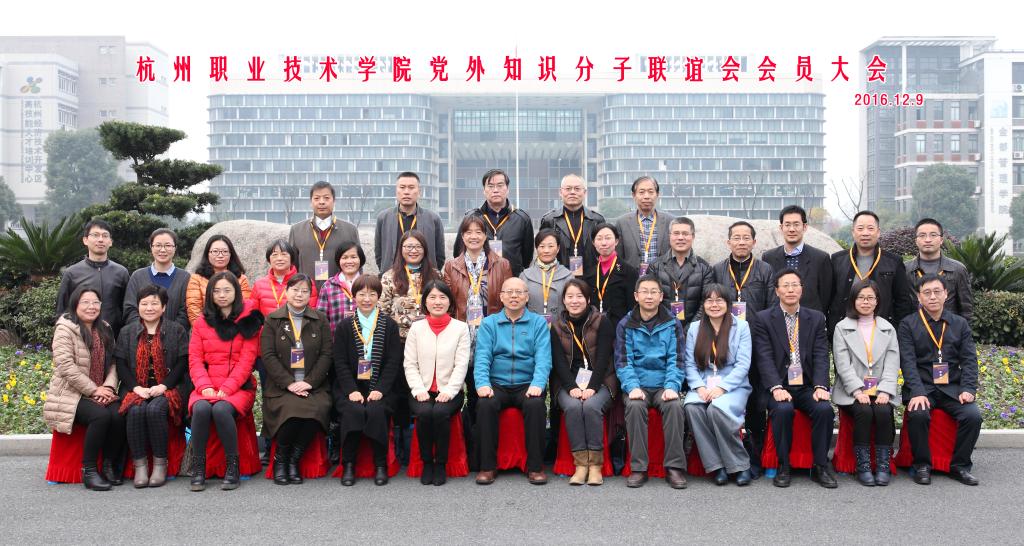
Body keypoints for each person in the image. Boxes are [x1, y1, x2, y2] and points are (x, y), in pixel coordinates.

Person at [752, 269, 837, 489]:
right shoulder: (764, 318)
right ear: (777, 291)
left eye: (795, 285)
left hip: (807, 385)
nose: (790, 290)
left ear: (801, 289)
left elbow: (821, 354)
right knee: (782, 410)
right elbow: (764, 356)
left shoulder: (815, 318)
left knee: (824, 409)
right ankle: (784, 465)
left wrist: (821, 385)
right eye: (785, 285)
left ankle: (820, 465)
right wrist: (775, 387)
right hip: (779, 385)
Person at [898, 273, 982, 486]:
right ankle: (922, 465)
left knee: (973, 416)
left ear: (946, 294)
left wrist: (968, 388)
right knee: (918, 414)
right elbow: (907, 363)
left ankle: (960, 466)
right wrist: (917, 392)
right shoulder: (908, 324)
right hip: (923, 386)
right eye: (927, 292)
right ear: (919, 297)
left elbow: (969, 360)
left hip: (952, 388)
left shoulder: (960, 324)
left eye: (937, 291)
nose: (932, 297)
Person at [187, 272, 264, 492]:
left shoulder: (248, 321)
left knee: (221, 410)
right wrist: (205, 386)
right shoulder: (202, 322)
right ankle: (199, 467)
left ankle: (232, 466)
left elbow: (247, 360)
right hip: (206, 385)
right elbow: (195, 359)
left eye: (227, 290)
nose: (222, 295)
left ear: (236, 292)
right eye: (217, 291)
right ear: (210, 294)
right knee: (200, 408)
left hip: (238, 386)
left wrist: (228, 388)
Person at [473, 277, 553, 486]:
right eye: (509, 292)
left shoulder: (538, 323)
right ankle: (487, 466)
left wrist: (538, 384)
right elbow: (482, 357)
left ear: (527, 297)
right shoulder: (489, 323)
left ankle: (535, 467)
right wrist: (482, 384)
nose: (514, 296)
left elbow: (543, 358)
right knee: (485, 405)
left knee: (535, 405)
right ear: (501, 297)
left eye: (519, 292)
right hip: (497, 384)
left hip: (527, 384)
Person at [44, 286, 123, 491]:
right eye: (85, 302)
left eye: (95, 302)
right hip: (71, 392)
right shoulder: (65, 328)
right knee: (100, 416)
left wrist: (108, 386)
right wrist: (94, 390)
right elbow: (66, 366)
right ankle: (89, 470)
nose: (91, 307)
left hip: (101, 388)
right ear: (75, 304)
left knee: (119, 413)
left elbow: (114, 362)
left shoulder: (105, 327)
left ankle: (108, 465)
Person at [614, 275, 688, 489]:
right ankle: (639, 468)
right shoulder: (625, 324)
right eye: (644, 292)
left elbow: (677, 359)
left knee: (674, 406)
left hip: (664, 385)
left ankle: (674, 467)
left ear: (661, 296)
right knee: (635, 406)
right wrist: (632, 387)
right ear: (636, 296)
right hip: (638, 385)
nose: (649, 296)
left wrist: (672, 386)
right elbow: (623, 361)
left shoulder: (672, 323)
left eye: (653, 292)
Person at [260, 274, 333, 485]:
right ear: (286, 292)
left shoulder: (320, 319)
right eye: (295, 290)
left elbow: (326, 354)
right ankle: (281, 460)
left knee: (316, 410)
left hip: (313, 386)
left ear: (310, 295)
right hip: (282, 387)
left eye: (304, 291)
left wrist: (309, 382)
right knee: (291, 412)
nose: (299, 294)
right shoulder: (273, 319)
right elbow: (268, 355)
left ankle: (293, 459)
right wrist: (289, 383)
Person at [114, 285, 189, 488]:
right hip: (136, 388)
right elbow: (121, 364)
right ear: (138, 306)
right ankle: (140, 466)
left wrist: (164, 386)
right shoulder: (127, 332)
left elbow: (182, 363)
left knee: (155, 409)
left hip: (169, 387)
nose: (149, 308)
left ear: (163, 307)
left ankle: (160, 464)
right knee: (136, 410)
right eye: (144, 303)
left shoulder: (176, 330)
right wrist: (135, 388)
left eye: (154, 303)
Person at [333, 275, 403, 486]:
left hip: (381, 387)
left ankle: (380, 464)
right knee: (353, 410)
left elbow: (393, 362)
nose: (366, 299)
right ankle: (349, 464)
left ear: (378, 297)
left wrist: (380, 389)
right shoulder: (345, 326)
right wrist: (351, 390)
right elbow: (340, 362)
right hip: (351, 387)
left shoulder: (389, 325)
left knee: (376, 410)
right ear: (354, 296)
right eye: (362, 294)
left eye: (372, 294)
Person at [682, 284, 754, 486]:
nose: (714, 305)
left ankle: (740, 465)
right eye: (709, 301)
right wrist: (699, 387)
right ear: (703, 304)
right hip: (703, 383)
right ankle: (717, 465)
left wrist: (722, 388)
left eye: (719, 300)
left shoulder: (741, 327)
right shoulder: (695, 328)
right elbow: (689, 363)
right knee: (692, 407)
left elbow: (743, 364)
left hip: (733, 385)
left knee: (717, 409)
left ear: (728, 303)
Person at [832, 279, 900, 486]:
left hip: (880, 389)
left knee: (883, 411)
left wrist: (885, 391)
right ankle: (863, 466)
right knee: (864, 411)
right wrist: (857, 390)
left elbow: (892, 363)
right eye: (861, 297)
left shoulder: (888, 328)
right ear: (853, 300)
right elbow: (842, 364)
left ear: (877, 301)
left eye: (870, 297)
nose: (865, 302)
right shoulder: (842, 328)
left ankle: (882, 465)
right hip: (851, 391)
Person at [403, 281, 471, 486]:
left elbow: (461, 364)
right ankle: (427, 463)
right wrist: (418, 389)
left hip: (450, 391)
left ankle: (440, 463)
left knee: (440, 413)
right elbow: (410, 363)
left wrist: (450, 390)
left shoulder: (460, 328)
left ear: (450, 302)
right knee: (424, 413)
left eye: (442, 297)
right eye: (432, 297)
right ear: (425, 302)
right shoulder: (416, 328)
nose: (437, 302)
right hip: (421, 390)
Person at [550, 279, 615, 486]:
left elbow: (603, 359)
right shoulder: (557, 326)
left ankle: (595, 466)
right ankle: (580, 465)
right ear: (563, 300)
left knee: (591, 406)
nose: (574, 301)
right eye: (570, 296)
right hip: (567, 383)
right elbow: (559, 363)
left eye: (579, 296)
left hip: (601, 381)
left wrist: (592, 387)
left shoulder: (602, 322)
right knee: (572, 407)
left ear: (588, 299)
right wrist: (572, 387)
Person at [828, 210, 915, 335]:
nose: (865, 233)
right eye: (860, 228)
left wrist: (896, 329)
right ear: (853, 232)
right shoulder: (837, 260)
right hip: (844, 331)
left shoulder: (893, 262)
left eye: (870, 228)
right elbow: (829, 297)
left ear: (878, 232)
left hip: (881, 331)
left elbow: (903, 301)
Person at [452, 169, 534, 276]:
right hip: (479, 281)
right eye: (490, 186)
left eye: (500, 185)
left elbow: (527, 258)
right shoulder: (471, 217)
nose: (495, 190)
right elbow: (458, 253)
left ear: (507, 189)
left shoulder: (522, 219)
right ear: (484, 190)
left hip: (511, 280)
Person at [55, 219, 129, 336]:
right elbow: (62, 310)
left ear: (110, 242)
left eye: (105, 236)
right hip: (80, 337)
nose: (100, 239)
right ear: (85, 240)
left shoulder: (121, 272)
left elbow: (127, 309)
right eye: (95, 235)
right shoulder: (72, 273)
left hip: (114, 337)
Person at [287, 181, 359, 290]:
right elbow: (292, 266)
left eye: (326, 198)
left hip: (339, 293)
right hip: (306, 293)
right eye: (317, 198)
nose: (321, 202)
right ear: (311, 202)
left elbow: (358, 265)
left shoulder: (350, 230)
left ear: (334, 201)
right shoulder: (297, 230)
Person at [761, 205, 833, 313]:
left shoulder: (821, 258)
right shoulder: (768, 257)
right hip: (777, 318)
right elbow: (767, 293)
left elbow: (826, 296)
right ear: (781, 228)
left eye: (796, 224)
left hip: (810, 319)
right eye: (787, 225)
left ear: (804, 227)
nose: (791, 229)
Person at [646, 216, 715, 328]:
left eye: (685, 234)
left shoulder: (704, 268)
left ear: (693, 237)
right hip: (662, 328)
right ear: (669, 236)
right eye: (676, 233)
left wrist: (689, 330)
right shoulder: (655, 266)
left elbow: (706, 303)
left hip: (694, 330)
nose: (680, 238)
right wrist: (665, 327)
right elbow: (650, 300)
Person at [905, 218, 974, 321]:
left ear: (941, 240)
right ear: (916, 241)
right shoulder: (905, 269)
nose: (927, 240)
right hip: (914, 329)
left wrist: (963, 330)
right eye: (922, 235)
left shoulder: (957, 269)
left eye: (933, 235)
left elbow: (966, 309)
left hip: (949, 328)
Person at [123, 228, 191, 331]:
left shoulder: (185, 278)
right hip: (141, 336)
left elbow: (186, 312)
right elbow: (130, 309)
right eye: (158, 245)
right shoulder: (137, 276)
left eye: (168, 245)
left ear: (175, 248)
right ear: (151, 247)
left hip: (175, 337)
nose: (162, 250)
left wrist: (170, 333)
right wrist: (146, 331)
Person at [375, 172, 445, 272]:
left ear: (419, 192)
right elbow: (379, 255)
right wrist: (387, 273)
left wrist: (431, 275)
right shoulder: (384, 218)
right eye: (402, 187)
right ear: (396, 191)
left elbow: (440, 256)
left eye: (411, 187)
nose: (406, 192)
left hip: (424, 277)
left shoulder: (433, 219)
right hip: (392, 277)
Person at [379, 230, 442, 340]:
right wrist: (405, 320)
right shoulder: (389, 277)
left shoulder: (436, 275)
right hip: (399, 339)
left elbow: (443, 305)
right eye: (409, 247)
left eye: (418, 247)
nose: (413, 250)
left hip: (430, 336)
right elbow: (382, 312)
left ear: (425, 249)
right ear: (401, 249)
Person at [539, 174, 606, 277]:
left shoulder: (596, 220)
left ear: (585, 193)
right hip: (558, 277)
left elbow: (604, 251)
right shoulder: (550, 220)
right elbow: (542, 251)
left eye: (577, 189)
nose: (572, 192)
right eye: (568, 189)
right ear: (560, 192)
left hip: (592, 277)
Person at [712, 221, 777, 321]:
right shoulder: (718, 270)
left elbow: (772, 304)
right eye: (736, 238)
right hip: (725, 326)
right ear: (729, 243)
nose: (741, 243)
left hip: (757, 327)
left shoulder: (765, 269)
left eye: (746, 238)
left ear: (754, 242)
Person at [614, 176, 674, 275]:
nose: (646, 196)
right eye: (641, 192)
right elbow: (618, 257)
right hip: (632, 279)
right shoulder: (622, 223)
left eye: (651, 192)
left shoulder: (670, 221)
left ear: (657, 194)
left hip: (663, 279)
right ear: (634, 195)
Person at [186, 235, 252, 325]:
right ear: (208, 254)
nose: (220, 255)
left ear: (231, 254)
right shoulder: (196, 279)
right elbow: (194, 310)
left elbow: (245, 307)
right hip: (205, 329)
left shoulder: (241, 279)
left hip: (234, 328)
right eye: (215, 251)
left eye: (225, 251)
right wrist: (205, 330)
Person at [584, 223, 639, 327]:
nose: (604, 243)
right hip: (593, 327)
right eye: (599, 239)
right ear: (593, 243)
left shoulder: (629, 272)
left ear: (616, 241)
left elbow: (633, 307)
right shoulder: (589, 273)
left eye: (608, 238)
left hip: (620, 328)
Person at [249, 239, 319, 318]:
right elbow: (253, 316)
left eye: (284, 254)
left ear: (291, 258)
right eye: (275, 255)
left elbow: (311, 313)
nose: (279, 258)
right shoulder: (259, 285)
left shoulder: (306, 282)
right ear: (269, 259)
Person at [519, 228, 573, 322]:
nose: (546, 250)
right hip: (531, 325)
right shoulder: (525, 276)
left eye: (551, 246)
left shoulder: (568, 276)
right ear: (536, 248)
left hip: (561, 327)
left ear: (558, 248)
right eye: (542, 246)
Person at [317, 241, 366, 335]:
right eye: (344, 257)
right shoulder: (328, 286)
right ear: (338, 260)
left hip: (365, 340)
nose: (349, 261)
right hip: (336, 340)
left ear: (361, 259)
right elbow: (321, 319)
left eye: (353, 257)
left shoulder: (368, 284)